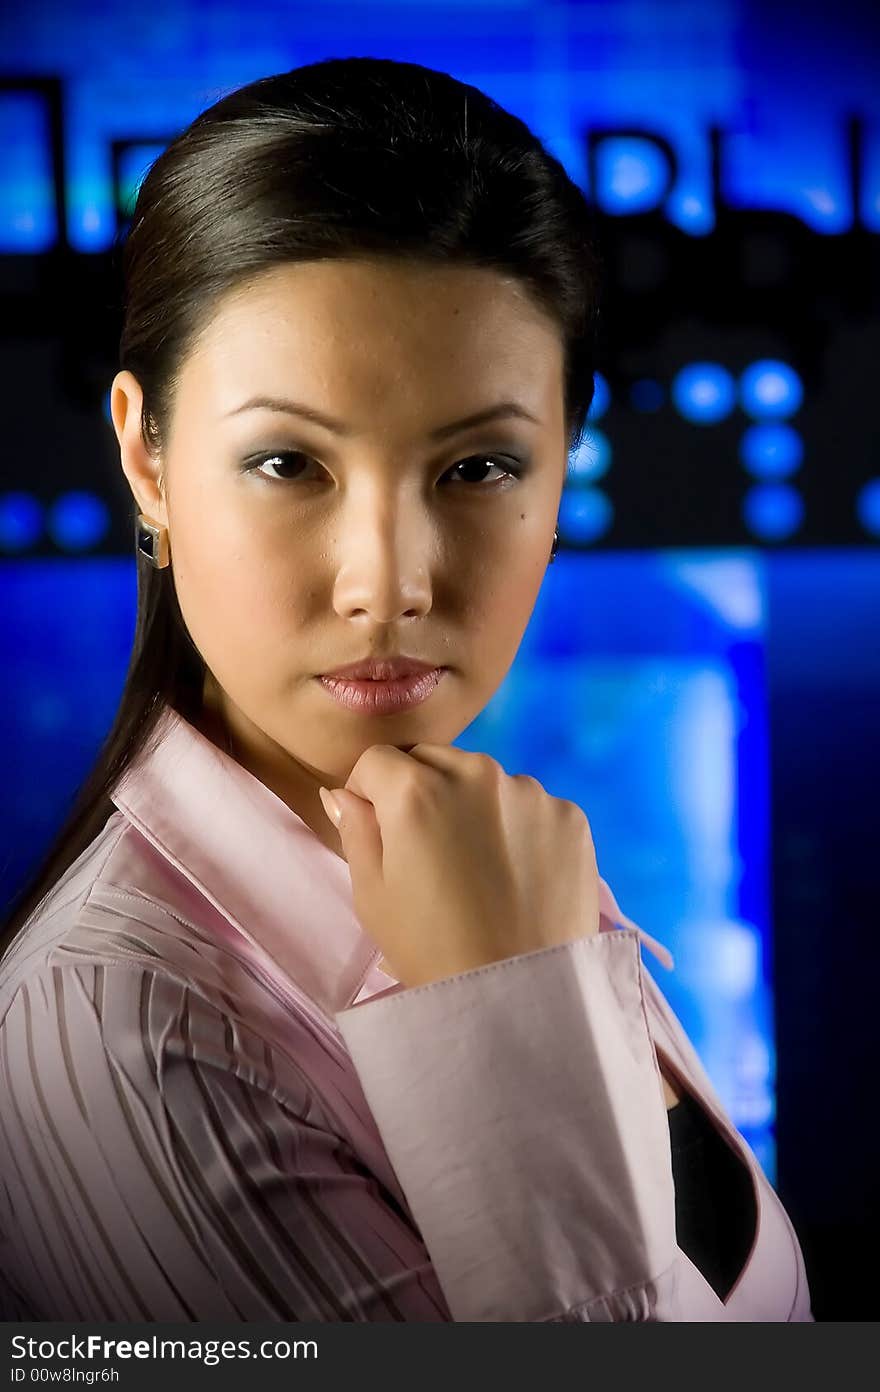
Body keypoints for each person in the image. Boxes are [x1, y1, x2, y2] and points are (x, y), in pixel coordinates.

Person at [0, 56, 812, 1322]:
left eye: (481, 466)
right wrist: (513, 1017)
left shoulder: (500, 865)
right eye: (287, 462)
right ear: (145, 458)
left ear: (561, 472)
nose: (389, 586)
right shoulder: (127, 1035)